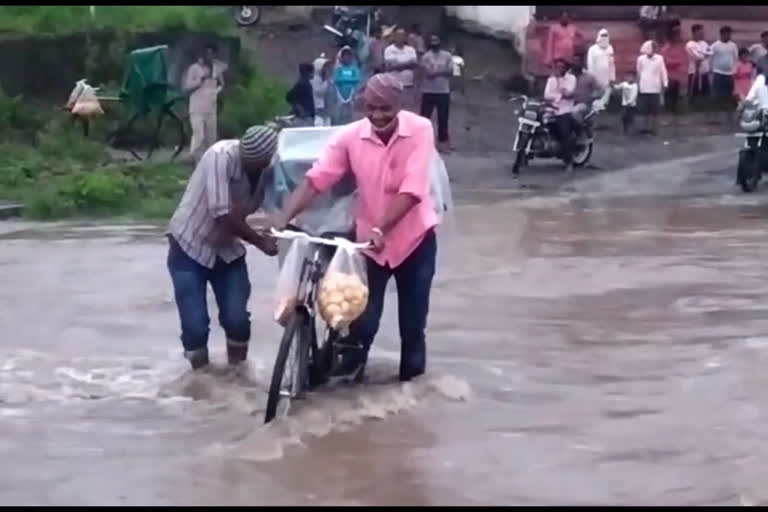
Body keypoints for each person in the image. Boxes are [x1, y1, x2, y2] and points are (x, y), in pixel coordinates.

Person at [268, 73, 439, 383]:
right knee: (361, 322)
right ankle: (347, 388)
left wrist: (380, 230)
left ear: (400, 105)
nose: (377, 115)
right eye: (371, 108)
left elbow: (413, 190)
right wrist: (285, 214)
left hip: (415, 241)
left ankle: (410, 397)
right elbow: (317, 179)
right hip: (368, 247)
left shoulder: (420, 130)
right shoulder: (350, 137)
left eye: (385, 108)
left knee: (412, 326)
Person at [167, 126, 279, 371]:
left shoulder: (269, 170)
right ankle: (200, 384)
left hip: (227, 249)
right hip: (189, 245)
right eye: (249, 162)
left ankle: (237, 380)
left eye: (259, 164)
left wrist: (286, 229)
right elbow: (221, 214)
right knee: (195, 326)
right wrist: (261, 242)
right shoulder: (221, 156)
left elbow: (276, 208)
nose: (253, 168)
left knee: (237, 320)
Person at [183, 42, 226, 164]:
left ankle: (208, 163)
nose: (209, 56)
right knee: (199, 136)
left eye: (212, 54)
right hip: (196, 107)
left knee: (211, 138)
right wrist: (199, 80)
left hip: (211, 107)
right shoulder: (194, 68)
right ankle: (196, 160)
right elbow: (187, 86)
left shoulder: (217, 68)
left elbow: (222, 84)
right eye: (207, 53)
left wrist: (216, 92)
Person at [420, 34, 454, 153]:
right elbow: (428, 73)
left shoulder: (447, 55)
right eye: (432, 40)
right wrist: (442, 70)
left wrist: (436, 71)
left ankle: (442, 144)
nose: (434, 43)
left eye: (436, 40)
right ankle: (422, 143)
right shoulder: (425, 56)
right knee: (424, 119)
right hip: (428, 91)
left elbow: (450, 70)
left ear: (440, 42)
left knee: (443, 119)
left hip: (443, 91)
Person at [543, 58, 577, 172]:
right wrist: (559, 95)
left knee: (564, 133)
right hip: (550, 109)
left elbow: (568, 93)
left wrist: (560, 92)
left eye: (562, 67)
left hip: (564, 110)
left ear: (566, 68)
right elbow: (546, 95)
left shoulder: (571, 78)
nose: (559, 69)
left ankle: (569, 162)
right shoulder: (551, 79)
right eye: (557, 66)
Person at [637, 40, 668, 135]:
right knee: (644, 110)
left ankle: (654, 129)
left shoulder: (659, 58)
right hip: (644, 86)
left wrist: (665, 83)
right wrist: (638, 85)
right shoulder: (640, 59)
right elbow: (639, 72)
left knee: (655, 110)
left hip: (655, 87)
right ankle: (645, 128)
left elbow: (663, 71)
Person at [385, 27, 419, 110]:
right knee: (393, 109)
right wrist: (408, 64)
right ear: (394, 36)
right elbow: (390, 66)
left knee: (407, 111)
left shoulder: (411, 50)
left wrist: (398, 65)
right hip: (393, 86)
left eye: (403, 35)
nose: (401, 37)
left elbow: (415, 64)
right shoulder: (389, 50)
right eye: (398, 35)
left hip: (408, 86)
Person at [710, 26, 739, 119]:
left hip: (730, 73)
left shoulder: (733, 45)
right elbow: (710, 57)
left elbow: (736, 58)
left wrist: (735, 71)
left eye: (730, 34)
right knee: (718, 93)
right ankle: (716, 112)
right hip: (718, 73)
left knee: (729, 93)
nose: (729, 36)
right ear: (722, 34)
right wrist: (711, 70)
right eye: (727, 34)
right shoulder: (715, 45)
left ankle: (729, 111)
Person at [659, 20, 687, 115]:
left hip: (677, 75)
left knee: (675, 93)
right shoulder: (667, 47)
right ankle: (668, 109)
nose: (678, 37)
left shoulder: (680, 47)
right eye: (676, 35)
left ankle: (674, 109)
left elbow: (683, 59)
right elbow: (664, 60)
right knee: (669, 93)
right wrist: (676, 63)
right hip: (669, 76)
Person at [570, 53, 603, 127]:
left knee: (575, 112)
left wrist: (593, 97)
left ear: (582, 63)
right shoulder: (568, 76)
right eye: (574, 61)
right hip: (568, 103)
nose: (575, 63)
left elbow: (600, 90)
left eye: (577, 61)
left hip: (584, 104)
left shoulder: (589, 76)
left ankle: (584, 127)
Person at [586, 28, 616, 109]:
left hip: (606, 78)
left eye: (606, 35)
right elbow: (590, 65)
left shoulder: (610, 48)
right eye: (602, 35)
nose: (604, 37)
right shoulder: (592, 49)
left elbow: (612, 64)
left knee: (605, 100)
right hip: (596, 77)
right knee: (595, 99)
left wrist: (612, 78)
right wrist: (592, 79)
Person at [333, 46, 361, 125]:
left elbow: (357, 79)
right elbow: (336, 79)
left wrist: (344, 79)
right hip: (340, 94)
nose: (346, 58)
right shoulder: (338, 69)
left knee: (352, 113)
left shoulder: (354, 68)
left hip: (352, 94)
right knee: (339, 113)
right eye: (344, 56)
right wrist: (348, 80)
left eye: (348, 56)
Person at [686, 24, 712, 110]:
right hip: (694, 71)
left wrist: (702, 54)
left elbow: (710, 53)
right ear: (695, 32)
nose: (702, 34)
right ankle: (692, 107)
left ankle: (704, 107)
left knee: (706, 91)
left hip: (705, 70)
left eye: (702, 32)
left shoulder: (704, 43)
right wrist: (704, 54)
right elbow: (697, 57)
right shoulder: (690, 44)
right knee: (694, 91)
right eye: (700, 32)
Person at [311, 57, 334, 127]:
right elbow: (319, 92)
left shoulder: (328, 78)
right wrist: (326, 81)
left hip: (327, 109)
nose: (326, 69)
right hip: (319, 109)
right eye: (325, 67)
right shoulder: (315, 79)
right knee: (319, 127)